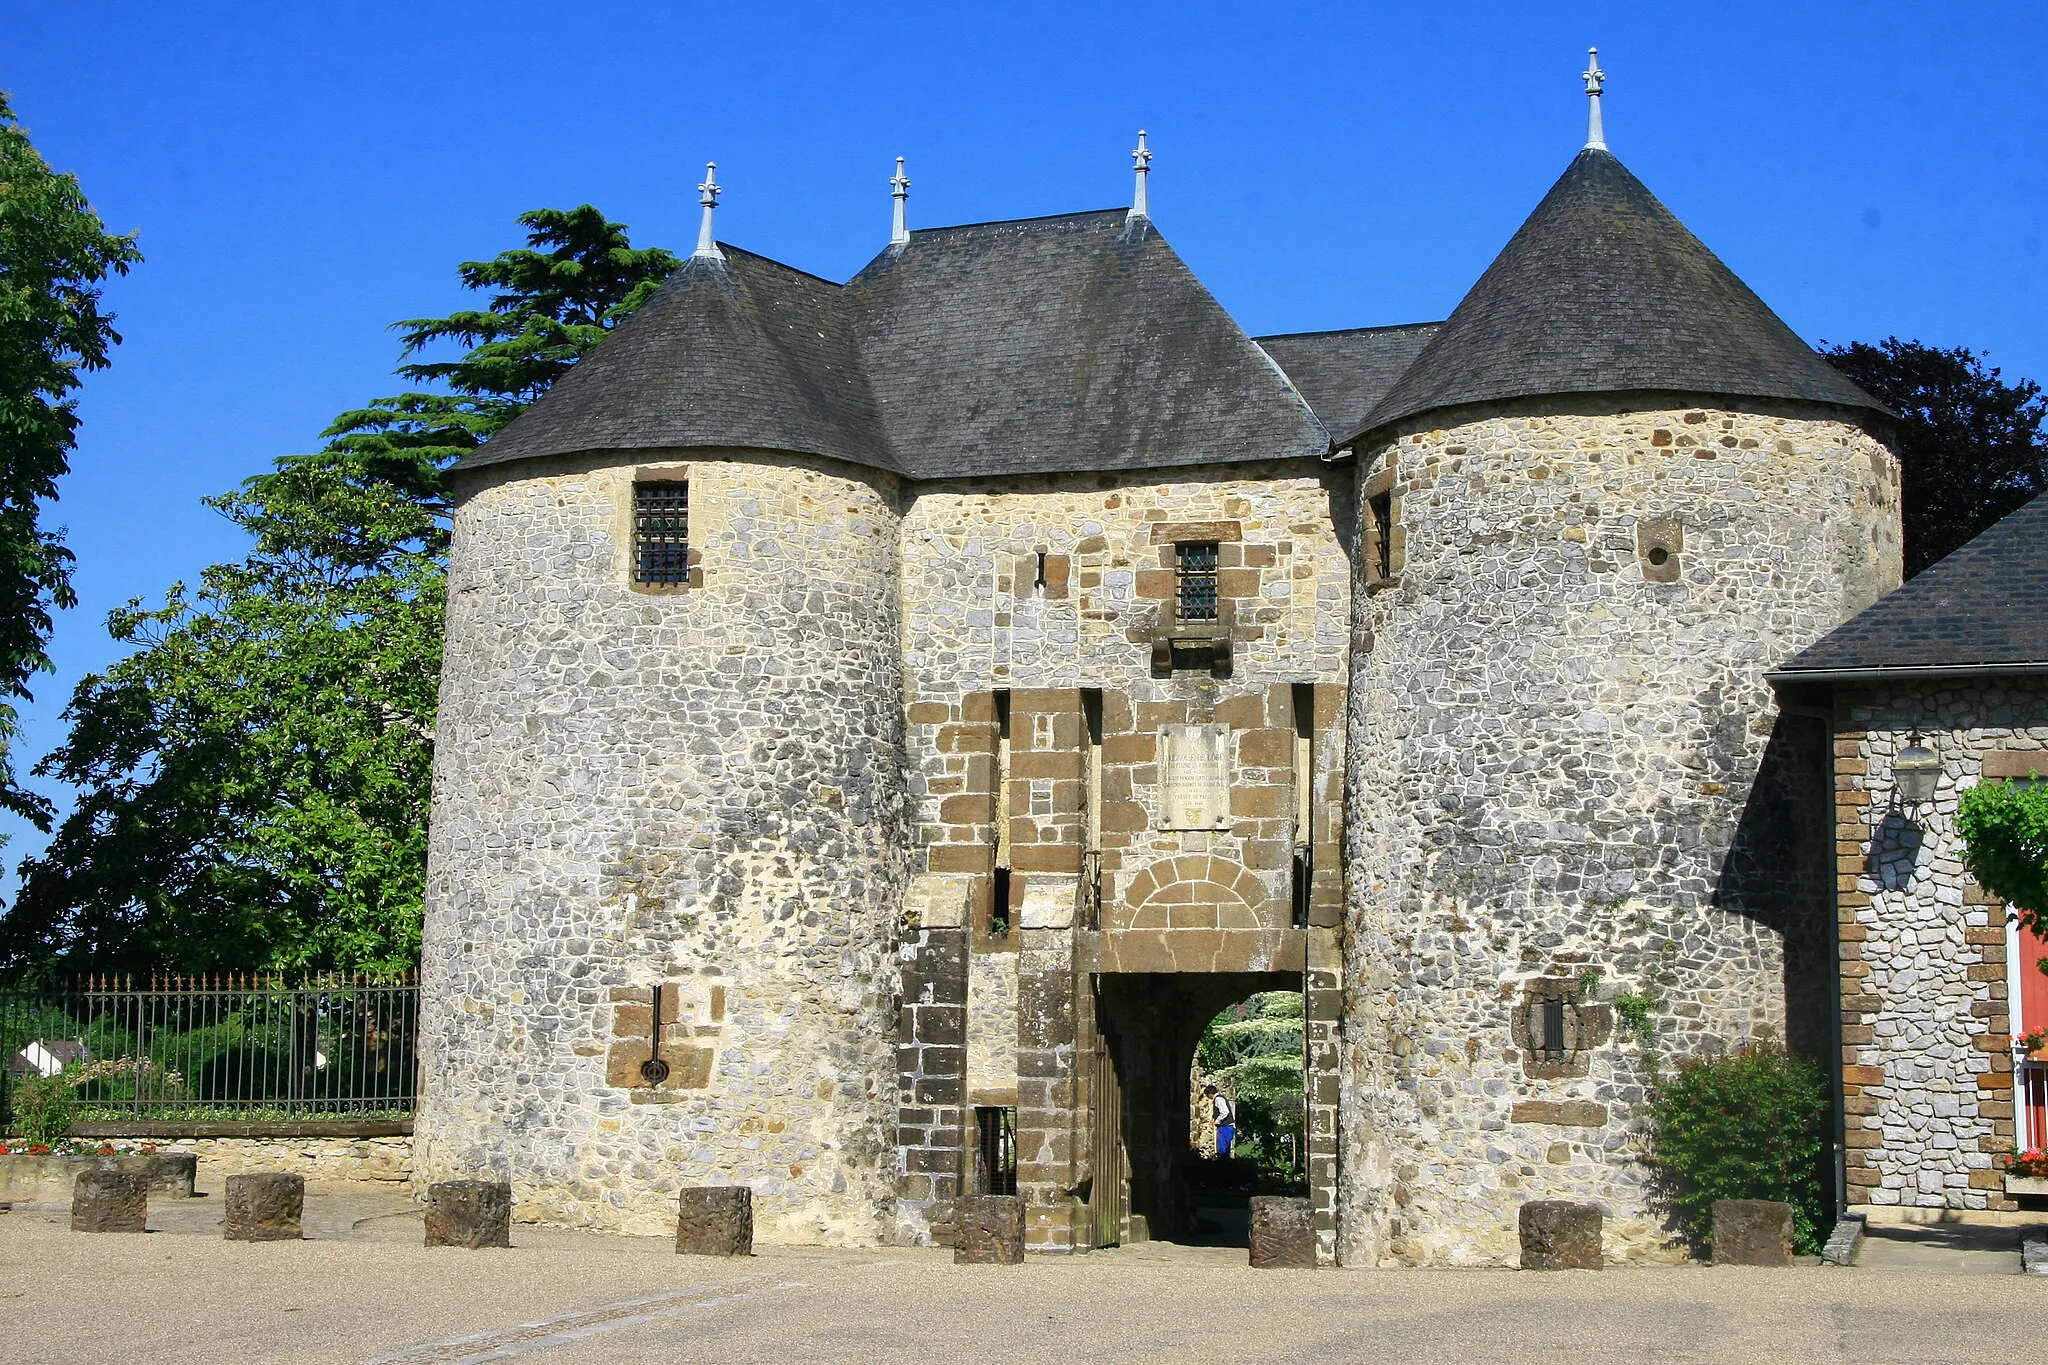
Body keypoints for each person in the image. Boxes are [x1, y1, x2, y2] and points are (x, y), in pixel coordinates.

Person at [1204, 1084, 1235, 1157]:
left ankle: (1222, 1166)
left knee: (1222, 1150)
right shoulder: (1220, 1098)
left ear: (1210, 1094)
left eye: (1207, 1095)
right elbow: (1218, 1113)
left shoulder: (1218, 1099)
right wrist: (1208, 1118)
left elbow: (1224, 1112)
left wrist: (1217, 1121)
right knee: (1225, 1150)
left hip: (1225, 1127)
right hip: (1226, 1127)